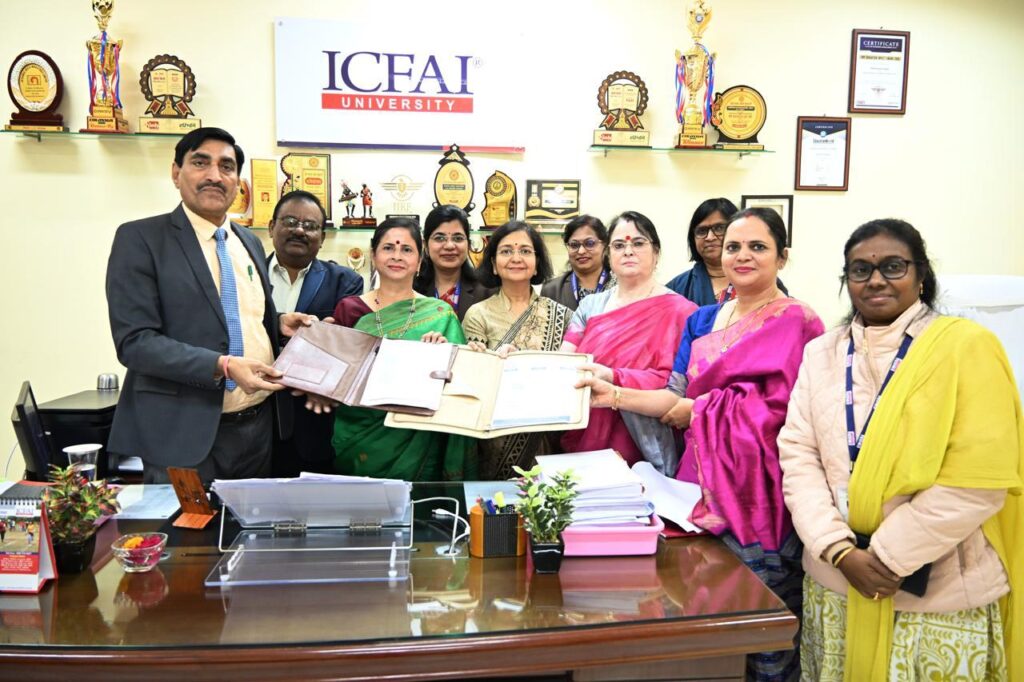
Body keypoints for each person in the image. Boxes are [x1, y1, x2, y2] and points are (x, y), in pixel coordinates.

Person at [580, 207, 823, 681]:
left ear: (782, 257)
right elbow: (675, 397)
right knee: (706, 626)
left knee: (766, 629)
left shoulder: (798, 322)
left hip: (763, 492)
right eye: (734, 247)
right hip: (698, 485)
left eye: (758, 247)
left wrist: (701, 409)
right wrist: (615, 395)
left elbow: (791, 412)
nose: (743, 256)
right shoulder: (704, 321)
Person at [779, 219, 1023, 681]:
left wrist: (886, 558)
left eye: (893, 266)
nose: (875, 280)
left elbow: (979, 479)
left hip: (939, 594)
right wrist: (839, 551)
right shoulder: (821, 353)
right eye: (860, 270)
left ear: (921, 274)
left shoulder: (966, 348)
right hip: (836, 583)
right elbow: (798, 455)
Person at [105, 127, 313, 484]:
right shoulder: (140, 239)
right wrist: (223, 365)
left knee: (247, 522)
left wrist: (278, 322)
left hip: (256, 430)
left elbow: (234, 313)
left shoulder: (247, 241)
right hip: (181, 434)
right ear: (176, 173)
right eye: (201, 163)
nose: (215, 175)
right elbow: (135, 342)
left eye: (226, 166)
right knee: (185, 522)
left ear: (238, 182)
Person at [328, 217, 474, 480]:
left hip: (420, 436)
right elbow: (337, 377)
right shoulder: (349, 309)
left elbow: (461, 384)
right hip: (360, 435)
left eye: (407, 249)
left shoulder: (439, 313)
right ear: (373, 255)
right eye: (388, 248)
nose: (397, 256)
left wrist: (442, 356)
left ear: (419, 261)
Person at [560, 211, 697, 466]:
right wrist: (518, 360)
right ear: (608, 254)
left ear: (656, 252)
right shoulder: (590, 307)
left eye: (638, 243)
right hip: (587, 428)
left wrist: (613, 376)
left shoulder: (683, 312)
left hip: (649, 438)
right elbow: (563, 363)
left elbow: (679, 387)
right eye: (619, 245)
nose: (628, 251)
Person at [463, 221, 571, 479]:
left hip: (546, 436)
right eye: (506, 251)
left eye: (525, 251)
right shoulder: (478, 315)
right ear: (493, 263)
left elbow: (567, 377)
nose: (516, 258)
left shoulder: (562, 315)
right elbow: (474, 383)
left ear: (537, 262)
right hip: (493, 440)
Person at [267, 190, 363, 476]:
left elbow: (347, 348)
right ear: (271, 227)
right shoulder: (246, 276)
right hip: (254, 423)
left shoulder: (346, 282)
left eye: (310, 226)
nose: (299, 230)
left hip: (315, 422)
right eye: (290, 221)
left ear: (322, 237)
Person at [413, 204, 492, 321]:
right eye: (439, 238)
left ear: (468, 245)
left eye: (458, 238)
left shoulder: (487, 292)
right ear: (426, 245)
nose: (449, 246)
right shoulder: (412, 290)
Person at [540, 215, 615, 311]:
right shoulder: (552, 290)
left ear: (604, 245)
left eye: (590, 243)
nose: (581, 251)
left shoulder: (619, 286)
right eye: (574, 245)